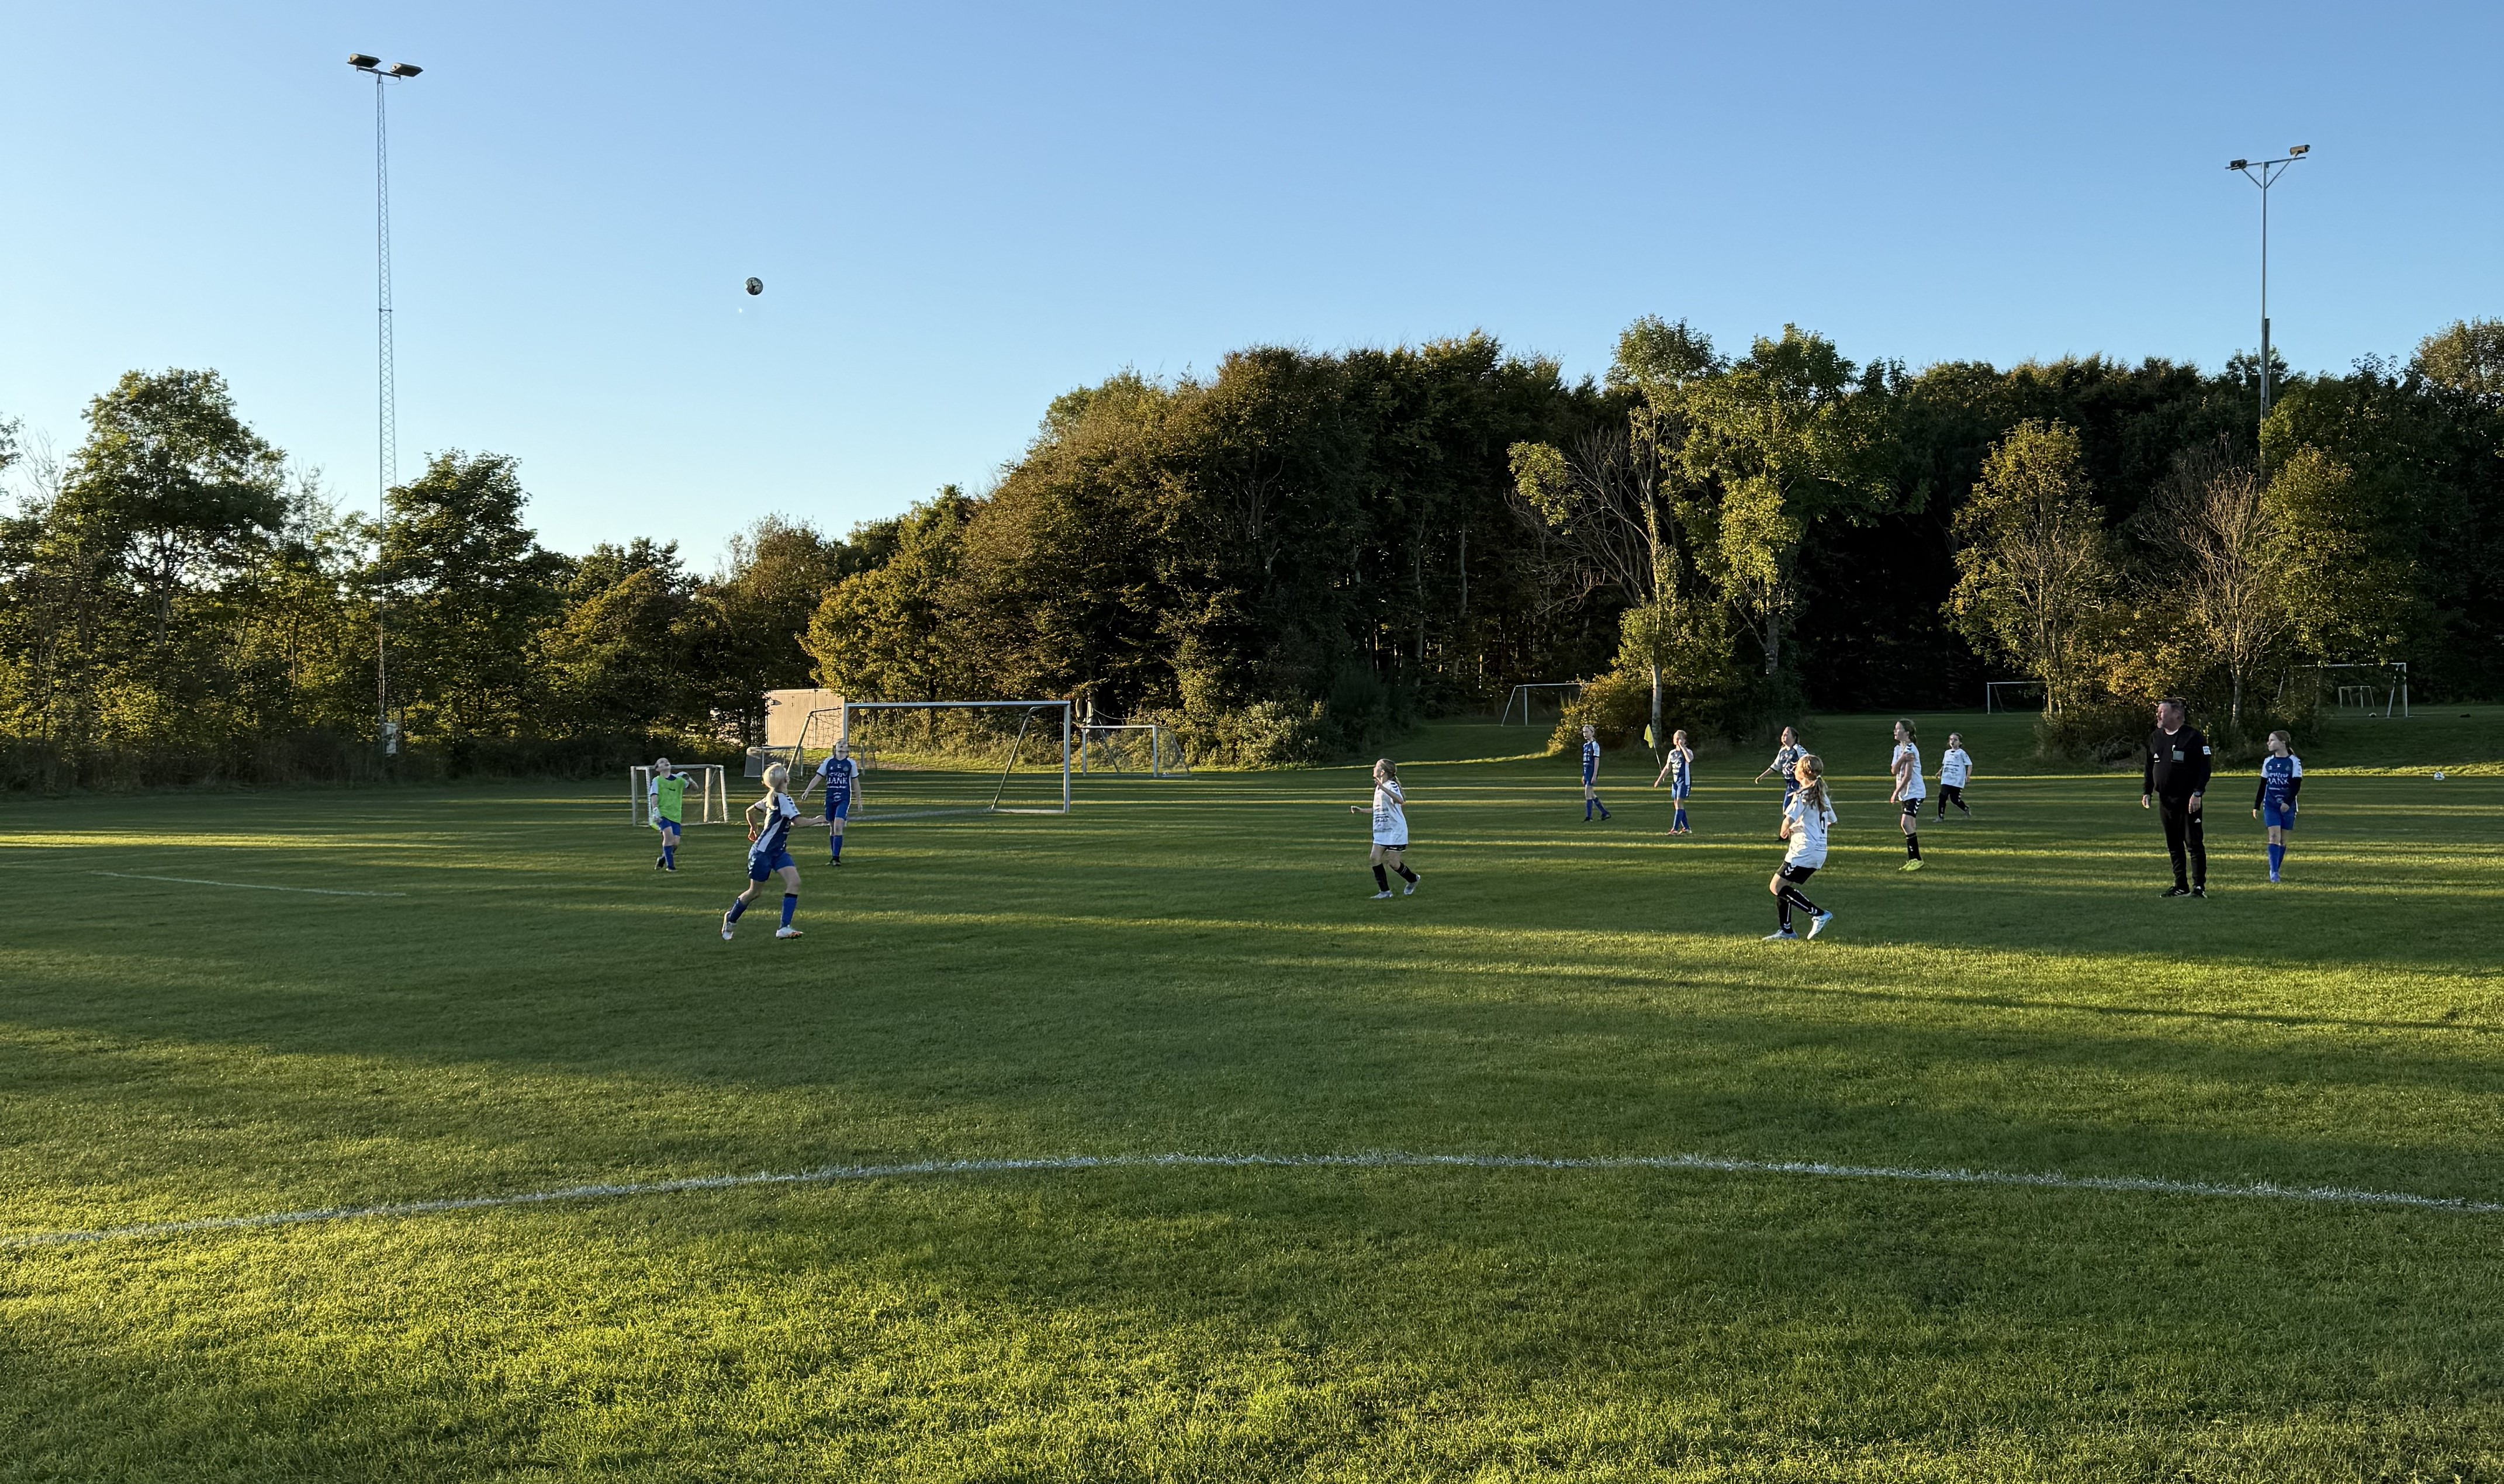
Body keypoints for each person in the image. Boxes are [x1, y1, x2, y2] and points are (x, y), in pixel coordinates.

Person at [724, 763, 809, 940]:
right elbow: (798, 822)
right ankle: (731, 918)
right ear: (786, 780)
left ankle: (784, 928)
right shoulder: (782, 799)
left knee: (795, 882)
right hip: (762, 853)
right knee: (755, 892)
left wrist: (753, 829)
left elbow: (750, 811)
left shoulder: (774, 797)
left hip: (778, 852)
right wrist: (819, 820)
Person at [2142, 697, 2213, 897]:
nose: (2158, 715)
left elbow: (2205, 768)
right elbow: (2149, 767)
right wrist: (2147, 791)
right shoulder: (2156, 737)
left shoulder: (2193, 737)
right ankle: (2180, 885)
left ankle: (2199, 887)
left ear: (2177, 715)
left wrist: (2197, 793)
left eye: (2162, 711)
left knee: (2193, 843)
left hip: (2189, 800)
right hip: (2166, 800)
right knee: (2173, 844)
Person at [1766, 753, 1837, 941]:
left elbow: (1786, 822)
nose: (1794, 769)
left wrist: (1786, 831)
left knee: (1776, 887)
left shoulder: (1802, 795)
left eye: (1796, 767)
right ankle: (1787, 931)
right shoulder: (1820, 794)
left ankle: (1818, 914)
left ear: (1802, 773)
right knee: (1784, 886)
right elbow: (1832, 820)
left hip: (1803, 850)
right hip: (1819, 851)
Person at [1348, 757, 1420, 898]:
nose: (1373, 769)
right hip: (1382, 831)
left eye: (1376, 767)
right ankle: (1385, 892)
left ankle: (1413, 879)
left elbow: (1401, 801)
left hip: (1395, 831)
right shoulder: (1379, 787)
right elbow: (1379, 809)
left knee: (1393, 863)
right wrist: (1361, 810)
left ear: (1382, 772)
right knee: (1374, 858)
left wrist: (1383, 788)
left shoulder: (1390, 785)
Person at [795, 738, 859, 866]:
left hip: (844, 798)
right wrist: (807, 791)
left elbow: (855, 782)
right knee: (832, 828)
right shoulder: (828, 762)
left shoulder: (851, 764)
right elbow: (818, 777)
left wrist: (859, 800)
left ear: (848, 750)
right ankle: (833, 856)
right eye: (839, 745)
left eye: (844, 745)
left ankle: (836, 858)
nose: (841, 747)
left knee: (838, 825)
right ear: (835, 748)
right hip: (830, 799)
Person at [2253, 728, 2304, 883]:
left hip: (2288, 807)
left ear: (2283, 743)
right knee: (2274, 836)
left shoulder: (2294, 762)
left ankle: (2276, 868)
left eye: (2272, 740)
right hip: (2271, 805)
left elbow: (2296, 785)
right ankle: (2274, 872)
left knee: (2282, 840)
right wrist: (2257, 805)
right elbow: (2263, 785)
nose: (2269, 743)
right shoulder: (2268, 762)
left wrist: (2287, 803)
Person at [1889, 719, 1925, 871]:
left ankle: (1916, 859)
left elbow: (1908, 775)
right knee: (1910, 826)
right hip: (1906, 794)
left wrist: (1896, 792)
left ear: (1907, 733)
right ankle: (1914, 859)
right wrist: (1902, 758)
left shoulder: (1910, 749)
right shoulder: (1899, 749)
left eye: (1898, 729)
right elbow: (1894, 771)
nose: (1895, 731)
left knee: (1905, 824)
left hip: (1915, 792)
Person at [1651, 728, 1696, 833]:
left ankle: (1674, 829)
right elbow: (1668, 767)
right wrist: (1659, 779)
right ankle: (1687, 828)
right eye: (1676, 738)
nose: (1677, 740)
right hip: (1675, 782)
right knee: (1676, 803)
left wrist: (1682, 747)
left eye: (1680, 738)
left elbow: (1690, 759)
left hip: (1684, 781)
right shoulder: (1672, 753)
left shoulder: (1687, 751)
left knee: (1679, 803)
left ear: (1685, 740)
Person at [648, 757, 687, 872]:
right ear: (658, 769)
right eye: (661, 762)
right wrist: (655, 810)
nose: (665, 762)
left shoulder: (678, 780)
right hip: (662, 814)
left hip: (675, 815)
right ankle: (671, 867)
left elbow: (695, 788)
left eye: (666, 761)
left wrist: (688, 778)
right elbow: (654, 796)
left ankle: (663, 859)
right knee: (668, 836)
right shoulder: (657, 780)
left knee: (675, 843)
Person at [1756, 727, 1806, 802]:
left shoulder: (1798, 750)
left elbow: (1809, 761)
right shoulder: (1783, 751)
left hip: (1797, 782)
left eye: (1786, 734)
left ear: (1794, 737)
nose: (1783, 736)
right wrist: (1761, 777)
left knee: (1789, 807)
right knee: (1790, 809)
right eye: (1783, 735)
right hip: (1789, 782)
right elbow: (1775, 766)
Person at [1935, 734, 1974, 821]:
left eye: (1955, 740)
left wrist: (1968, 776)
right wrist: (1940, 772)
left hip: (1957, 780)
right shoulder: (1947, 753)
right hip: (1946, 779)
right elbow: (1945, 764)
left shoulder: (1962, 753)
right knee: (1942, 796)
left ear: (1960, 743)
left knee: (1955, 799)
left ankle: (1966, 808)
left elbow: (1969, 764)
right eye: (1951, 739)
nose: (1953, 741)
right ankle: (1940, 816)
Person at [1579, 725, 1612, 821]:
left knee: (1587, 793)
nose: (1585, 734)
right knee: (1592, 794)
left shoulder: (1595, 745)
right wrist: (1584, 775)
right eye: (1584, 732)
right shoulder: (1585, 745)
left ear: (1592, 732)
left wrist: (1594, 775)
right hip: (1587, 772)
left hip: (1591, 771)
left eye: (1587, 732)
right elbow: (1585, 762)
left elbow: (1596, 761)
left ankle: (1589, 817)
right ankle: (1605, 813)